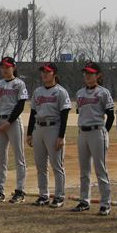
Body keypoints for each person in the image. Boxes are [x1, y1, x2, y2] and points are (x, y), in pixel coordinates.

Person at [71, 61, 115, 215]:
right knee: (84, 170)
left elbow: (110, 116)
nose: (88, 76)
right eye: (86, 73)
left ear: (98, 75)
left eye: (91, 73)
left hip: (98, 131)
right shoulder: (80, 93)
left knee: (100, 169)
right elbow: (81, 113)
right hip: (83, 132)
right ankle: (84, 201)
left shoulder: (103, 92)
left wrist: (105, 132)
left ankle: (105, 203)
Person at [26, 63, 71, 208]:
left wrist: (61, 136)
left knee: (57, 165)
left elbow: (64, 115)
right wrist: (29, 133)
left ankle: (59, 196)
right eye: (43, 72)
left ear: (54, 74)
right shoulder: (38, 92)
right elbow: (33, 113)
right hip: (39, 128)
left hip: (54, 128)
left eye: (48, 72)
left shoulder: (60, 92)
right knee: (40, 166)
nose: (44, 74)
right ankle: (43, 195)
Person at [0, 57, 28, 204]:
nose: (4, 70)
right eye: (2, 67)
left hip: (13, 123)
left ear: (14, 67)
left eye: (7, 67)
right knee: (1, 158)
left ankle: (20, 191)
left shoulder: (19, 83)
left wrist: (8, 122)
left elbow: (20, 105)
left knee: (19, 157)